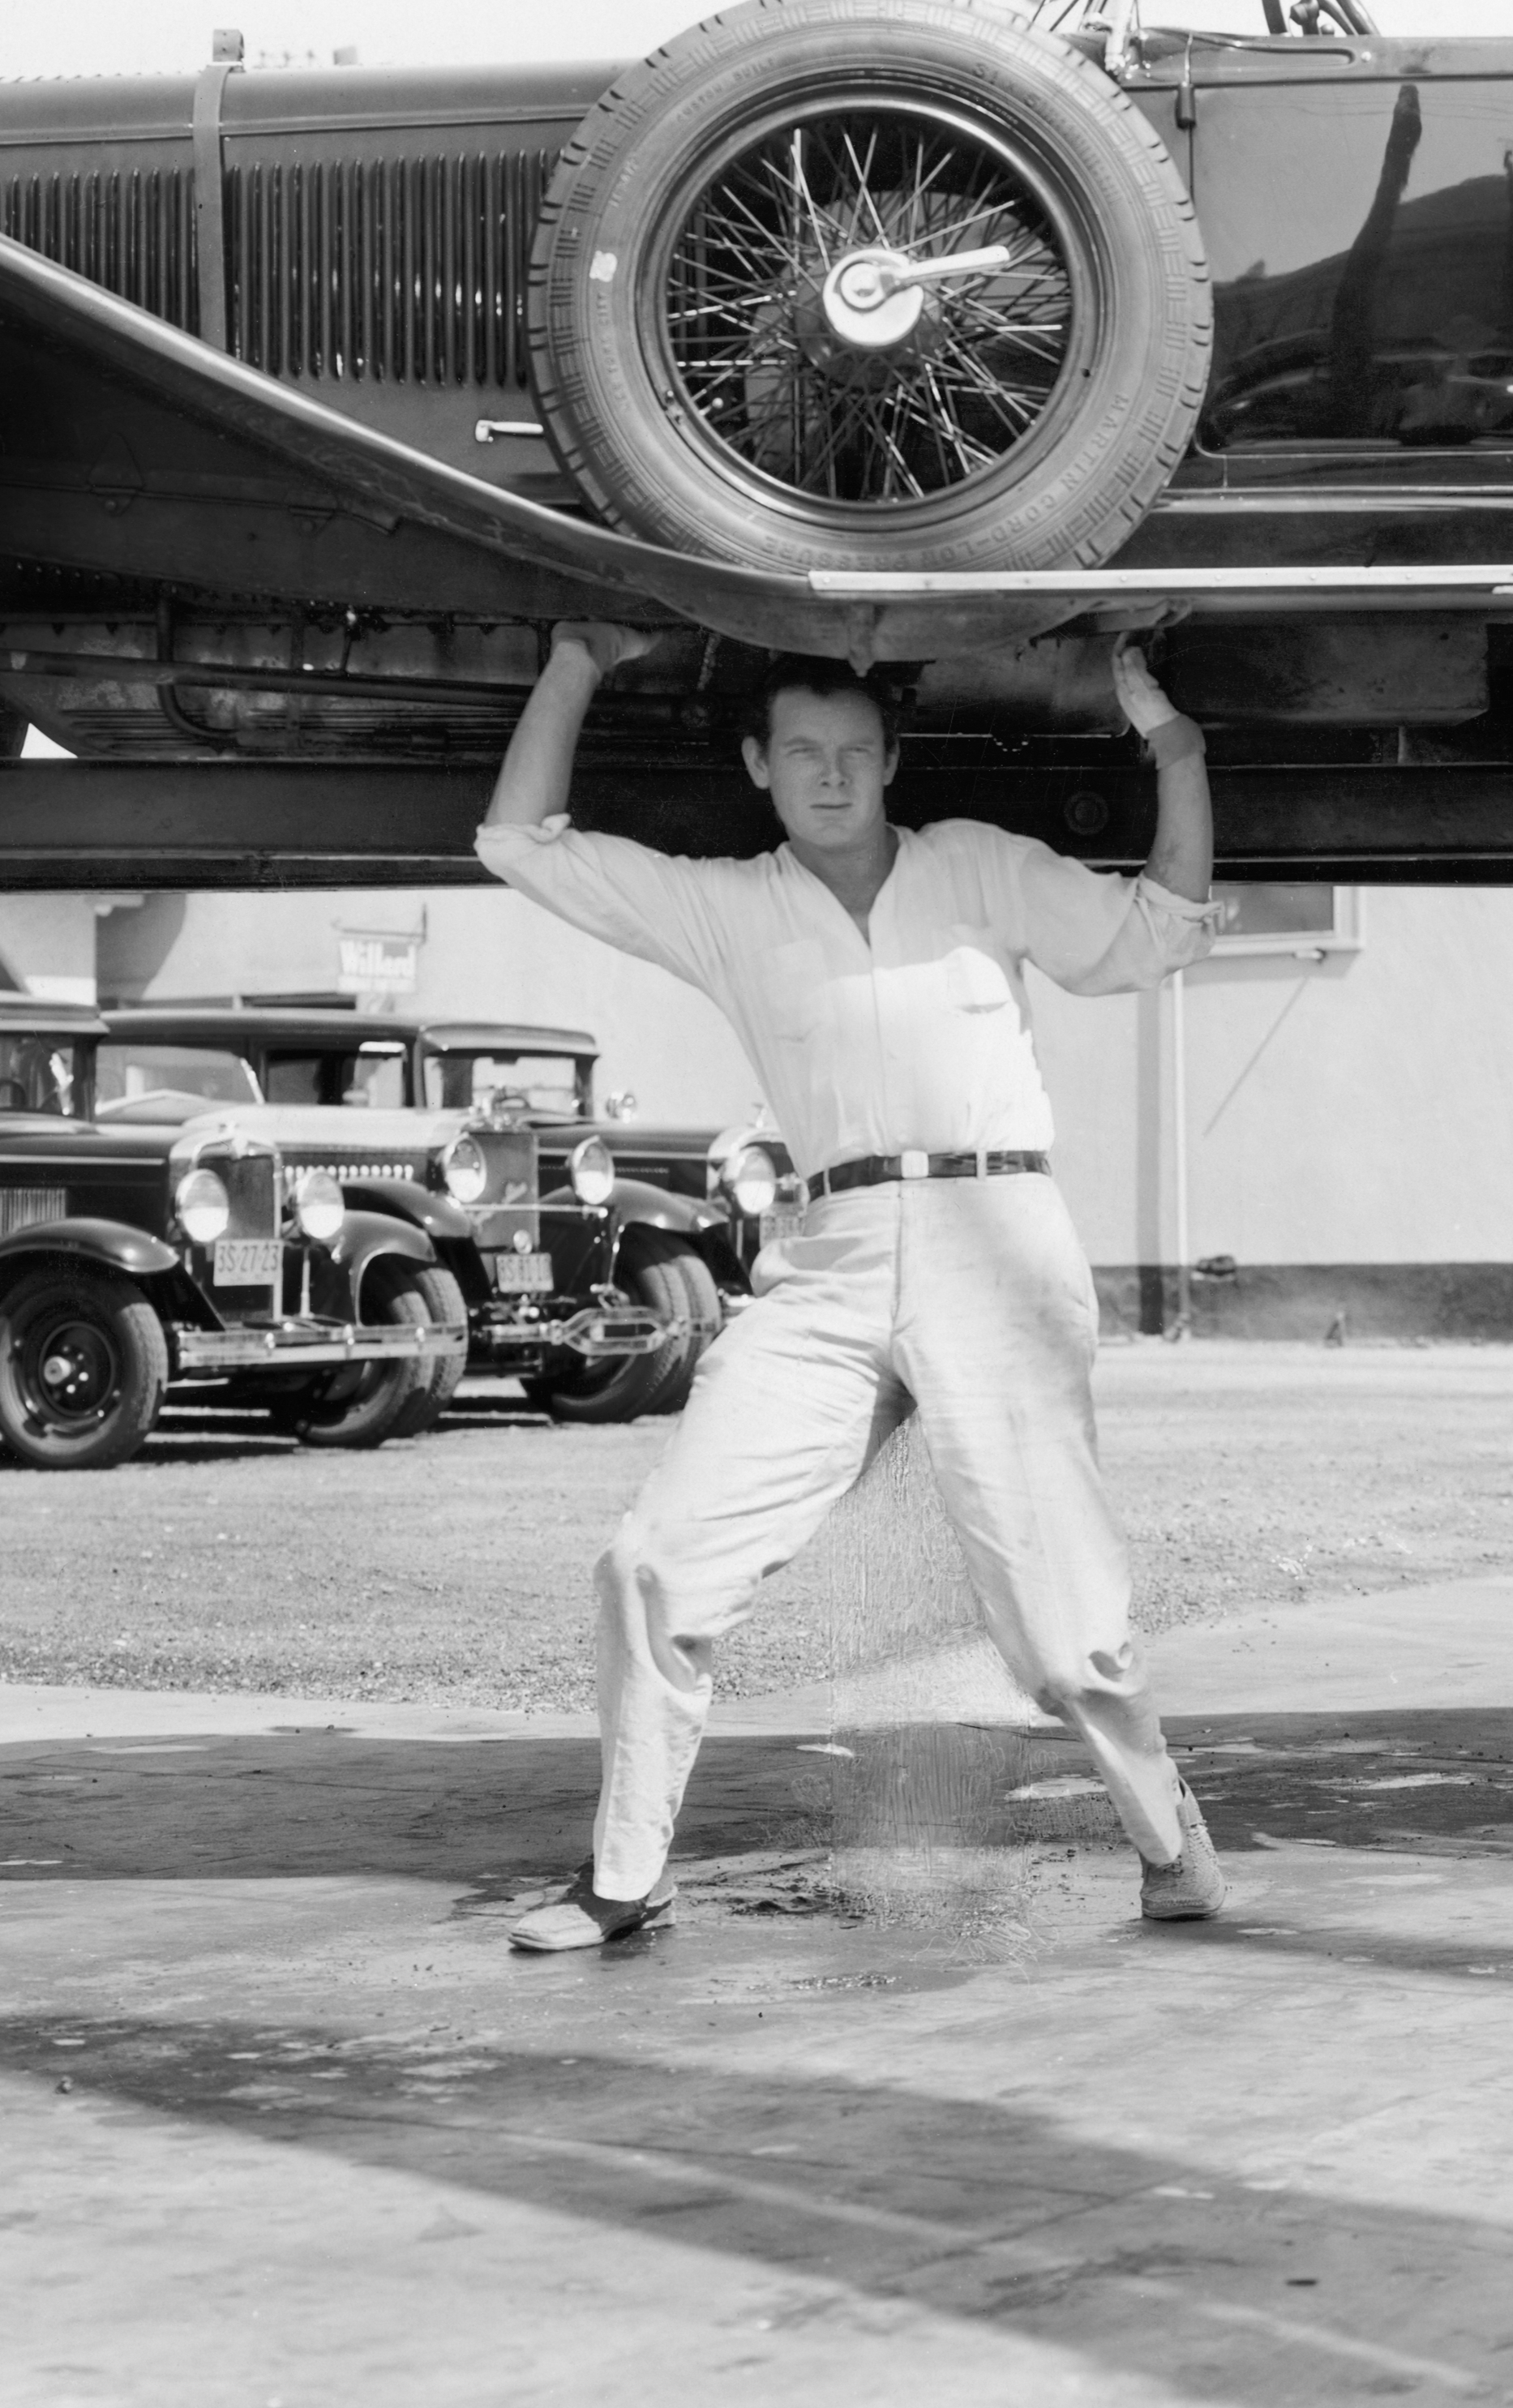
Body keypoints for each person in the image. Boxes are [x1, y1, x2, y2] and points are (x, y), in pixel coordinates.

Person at [475, 623, 1224, 1952]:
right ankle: (621, 1883)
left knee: (1060, 1636)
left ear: (892, 762)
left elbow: (1154, 934)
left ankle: (1172, 1846)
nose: (832, 779)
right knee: (652, 1563)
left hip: (995, 1238)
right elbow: (518, 844)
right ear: (760, 764)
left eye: (857, 755)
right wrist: (578, 659)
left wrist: (1174, 747)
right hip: (824, 1259)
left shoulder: (979, 870)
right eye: (804, 754)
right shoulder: (728, 905)